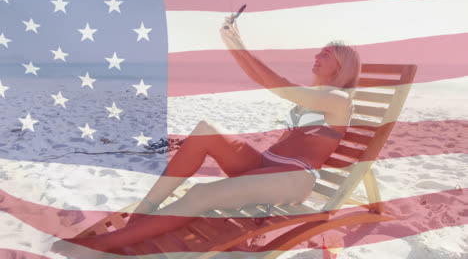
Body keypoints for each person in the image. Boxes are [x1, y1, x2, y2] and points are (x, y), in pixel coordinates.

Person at [51, 13, 361, 256]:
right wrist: (232, 43)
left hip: (295, 177)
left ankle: (105, 246)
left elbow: (276, 85)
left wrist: (238, 45)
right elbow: (264, 78)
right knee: (205, 131)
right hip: (268, 165)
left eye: (327, 53)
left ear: (342, 66)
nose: (318, 54)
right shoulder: (317, 94)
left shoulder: (339, 100)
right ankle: (144, 212)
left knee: (201, 194)